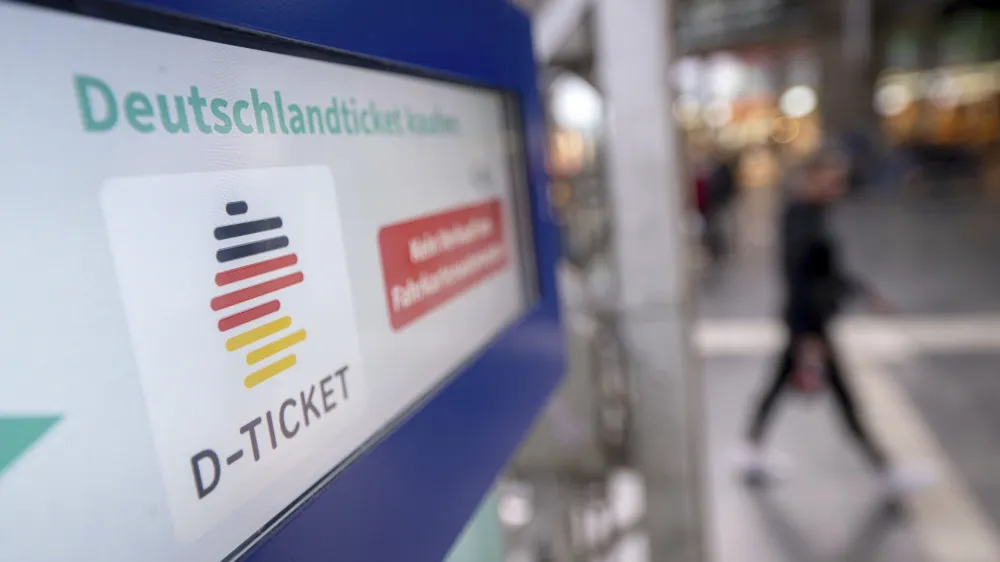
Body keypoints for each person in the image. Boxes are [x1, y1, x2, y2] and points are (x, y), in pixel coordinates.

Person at [738, 145, 929, 498]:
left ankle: (750, 450)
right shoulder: (801, 219)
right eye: (832, 179)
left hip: (809, 321)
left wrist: (866, 294)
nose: (838, 186)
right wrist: (808, 334)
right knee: (843, 397)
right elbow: (798, 278)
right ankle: (885, 468)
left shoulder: (812, 214)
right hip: (808, 322)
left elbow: (828, 271)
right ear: (812, 178)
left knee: (781, 386)